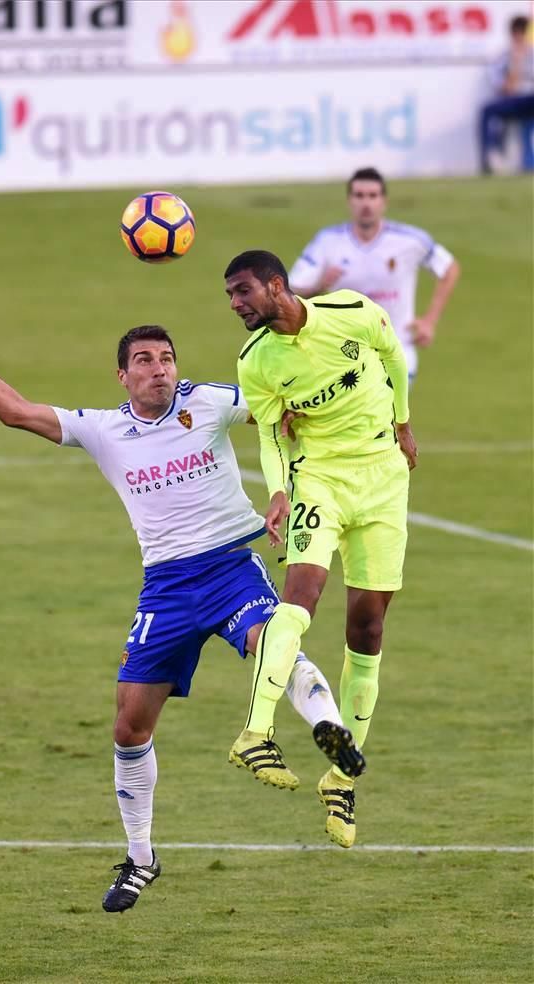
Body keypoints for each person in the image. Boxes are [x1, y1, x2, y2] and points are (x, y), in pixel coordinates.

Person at [0, 302, 366, 910]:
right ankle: (141, 858)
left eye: (167, 358)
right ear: (121, 375)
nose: (160, 369)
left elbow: (285, 413)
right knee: (129, 725)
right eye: (144, 361)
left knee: (271, 640)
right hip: (167, 590)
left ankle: (329, 731)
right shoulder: (103, 428)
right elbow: (15, 413)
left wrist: (299, 476)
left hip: (231, 567)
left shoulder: (211, 401)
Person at [224, 250, 418, 849]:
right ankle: (255, 732)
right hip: (321, 484)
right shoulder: (255, 362)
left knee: (368, 629)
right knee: (299, 599)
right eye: (230, 296)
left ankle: (340, 780)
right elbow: (267, 433)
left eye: (243, 291)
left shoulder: (354, 311)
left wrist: (404, 425)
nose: (236, 304)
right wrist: (280, 492)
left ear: (276, 286)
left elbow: (395, 358)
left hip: (385, 482)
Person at [287, 167, 460, 381]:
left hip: (396, 350)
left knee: (387, 412)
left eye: (372, 196)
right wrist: (319, 286)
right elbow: (291, 290)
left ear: (383, 201)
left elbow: (449, 268)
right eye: (359, 196)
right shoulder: (327, 241)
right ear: (349, 201)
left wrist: (430, 321)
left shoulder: (410, 240)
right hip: (343, 352)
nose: (366, 203)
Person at [479, 15, 534, 174]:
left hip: (531, 99)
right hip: (513, 100)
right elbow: (505, 88)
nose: (520, 36)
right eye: (518, 32)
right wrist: (516, 62)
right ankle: (488, 157)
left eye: (523, 32)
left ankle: (528, 164)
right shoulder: (503, 56)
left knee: (528, 124)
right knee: (487, 111)